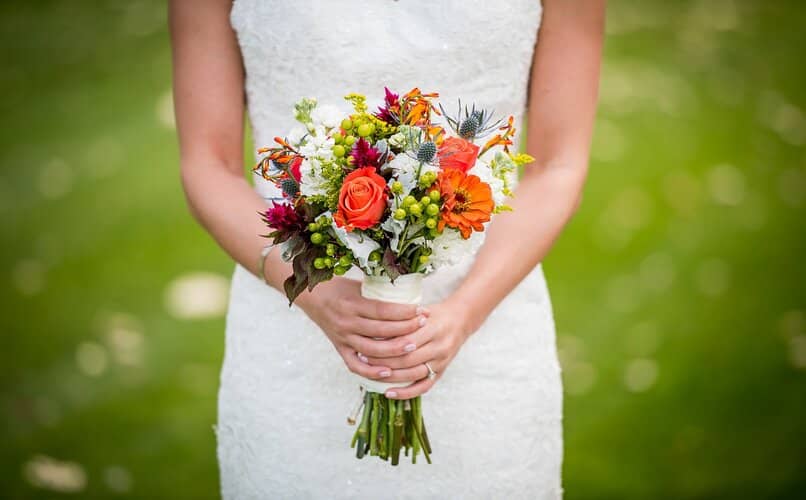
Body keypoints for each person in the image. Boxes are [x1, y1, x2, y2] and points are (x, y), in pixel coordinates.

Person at [169, 0, 604, 497]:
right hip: (289, 329)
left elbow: (558, 165)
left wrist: (464, 313)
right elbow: (208, 164)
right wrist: (312, 291)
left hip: (490, 328)